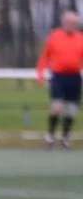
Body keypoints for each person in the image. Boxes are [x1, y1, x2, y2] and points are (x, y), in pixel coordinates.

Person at [36, 9, 83, 148]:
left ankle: (65, 138)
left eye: (73, 22)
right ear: (63, 22)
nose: (70, 24)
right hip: (58, 76)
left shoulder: (80, 38)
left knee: (71, 109)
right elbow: (45, 56)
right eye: (68, 22)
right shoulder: (54, 36)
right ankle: (50, 136)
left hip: (74, 77)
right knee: (56, 106)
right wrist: (40, 73)